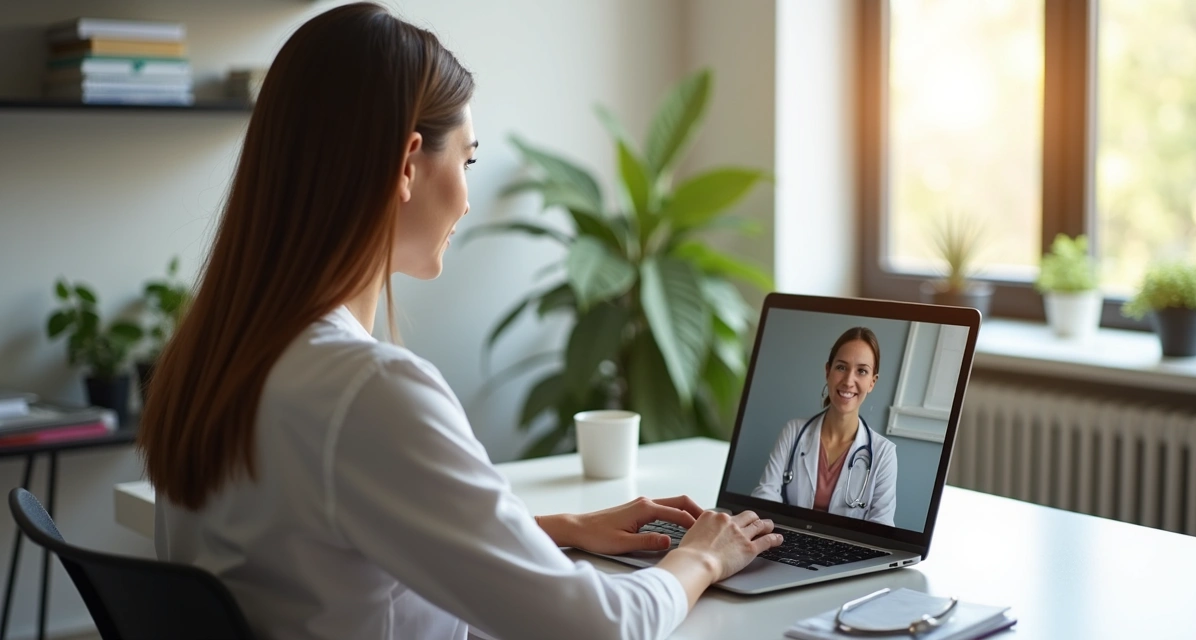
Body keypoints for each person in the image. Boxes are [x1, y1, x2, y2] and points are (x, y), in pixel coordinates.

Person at [136, 4, 782, 640]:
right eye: (467, 161)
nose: (468, 200)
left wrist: (552, 530)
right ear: (407, 164)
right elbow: (595, 628)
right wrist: (702, 558)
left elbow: (333, 544)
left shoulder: (215, 358)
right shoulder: (364, 390)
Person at [751, 327, 898, 526]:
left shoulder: (884, 454)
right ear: (828, 371)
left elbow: (882, 527)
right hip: (784, 537)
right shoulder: (793, 432)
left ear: (872, 382)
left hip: (847, 546)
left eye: (861, 371)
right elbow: (765, 495)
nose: (848, 381)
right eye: (841, 367)